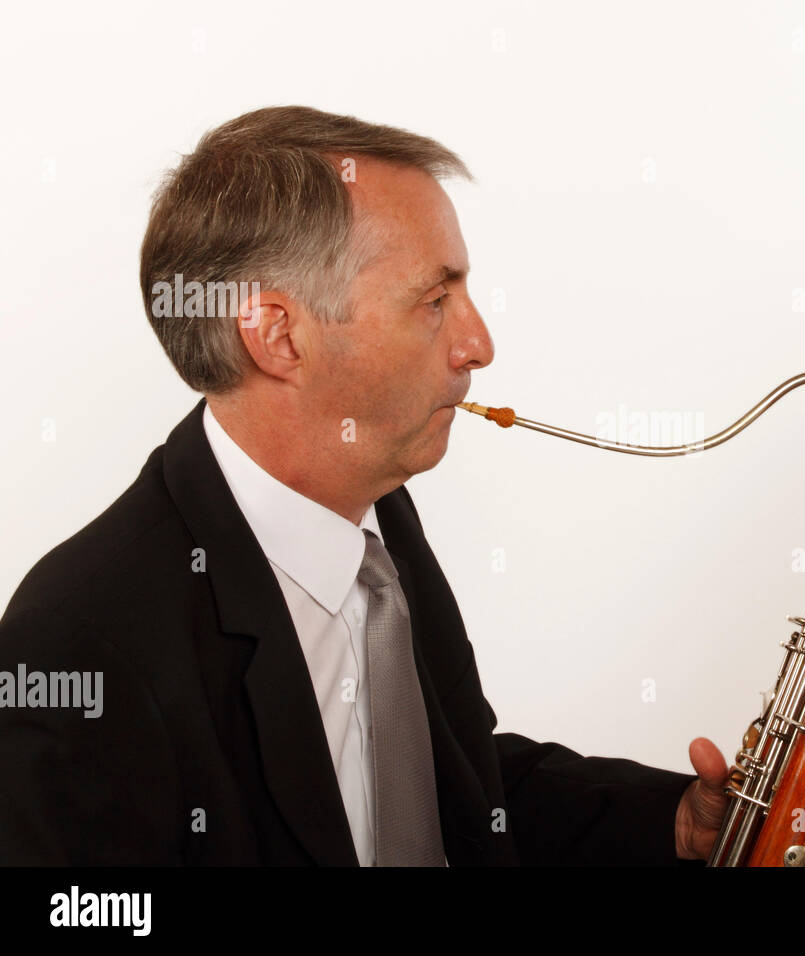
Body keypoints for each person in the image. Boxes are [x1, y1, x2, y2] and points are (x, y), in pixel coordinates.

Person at [0, 106, 728, 866]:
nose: (479, 344)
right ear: (279, 335)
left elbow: (451, 792)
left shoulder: (378, 513)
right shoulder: (76, 648)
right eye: (434, 301)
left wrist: (669, 823)